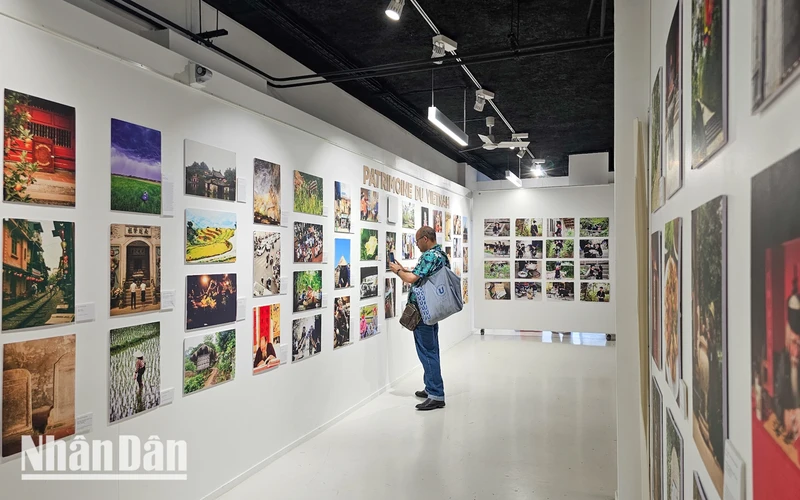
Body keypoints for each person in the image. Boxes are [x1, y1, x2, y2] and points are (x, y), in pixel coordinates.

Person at [389, 225, 447, 411]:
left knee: (427, 352)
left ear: (425, 238)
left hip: (423, 311)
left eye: (417, 240)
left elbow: (412, 279)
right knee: (431, 350)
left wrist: (398, 272)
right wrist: (403, 269)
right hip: (429, 309)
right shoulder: (440, 255)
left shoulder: (430, 256)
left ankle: (436, 395)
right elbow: (421, 275)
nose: (417, 244)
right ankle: (431, 387)